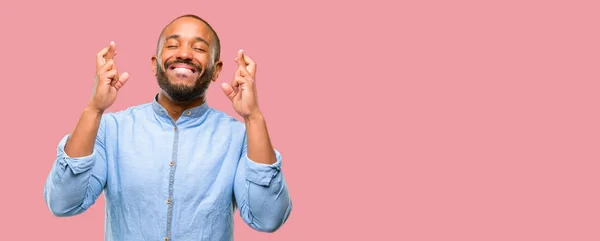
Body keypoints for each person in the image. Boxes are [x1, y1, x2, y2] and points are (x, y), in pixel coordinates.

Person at [43, 14, 292, 241]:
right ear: (155, 64)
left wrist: (254, 117)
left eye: (199, 48)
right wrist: (94, 109)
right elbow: (63, 202)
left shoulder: (240, 137)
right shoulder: (110, 129)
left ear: (216, 70)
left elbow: (267, 219)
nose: (184, 54)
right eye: (172, 45)